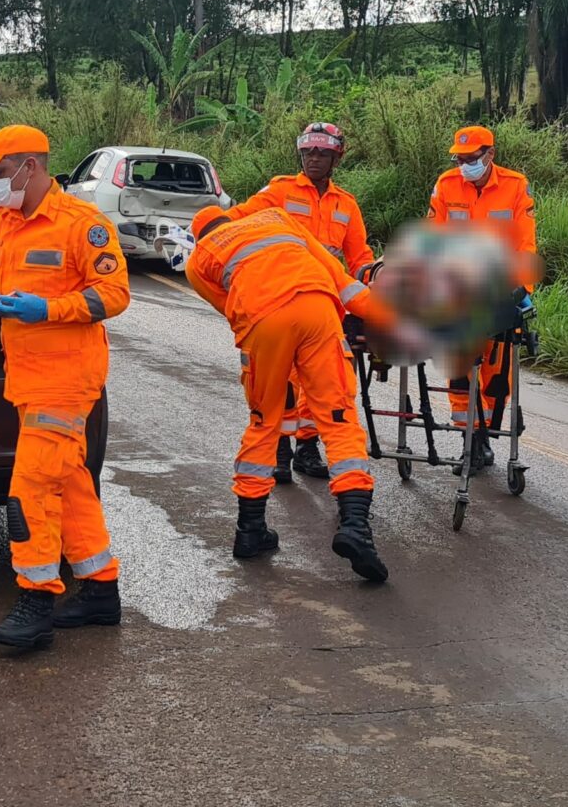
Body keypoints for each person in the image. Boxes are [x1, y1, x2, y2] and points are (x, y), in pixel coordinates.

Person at [0, 124, 131, 650]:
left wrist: (49, 309)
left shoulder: (82, 224)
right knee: (71, 480)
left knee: (32, 486)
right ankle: (100, 590)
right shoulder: (0, 222)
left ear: (29, 166)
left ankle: (36, 597)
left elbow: (115, 294)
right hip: (25, 376)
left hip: (66, 378)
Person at [185, 203, 397, 583]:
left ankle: (250, 530)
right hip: (317, 308)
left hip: (262, 321)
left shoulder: (198, 260)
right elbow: (344, 283)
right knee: (338, 418)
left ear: (198, 236)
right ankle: (355, 526)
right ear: (232, 219)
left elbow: (229, 307)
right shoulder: (276, 219)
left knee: (263, 422)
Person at [226, 122, 374, 486]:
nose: (314, 158)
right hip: (277, 298)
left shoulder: (346, 205)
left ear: (337, 157)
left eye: (322, 153)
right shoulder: (280, 191)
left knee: (322, 381)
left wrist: (375, 280)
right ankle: (278, 448)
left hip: (324, 303)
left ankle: (307, 447)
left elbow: (359, 258)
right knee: (281, 379)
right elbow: (237, 221)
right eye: (308, 152)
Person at [428, 125, 536, 471]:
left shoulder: (515, 186)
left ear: (490, 154)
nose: (464, 165)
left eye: (471, 158)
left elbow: (525, 243)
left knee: (495, 370)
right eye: (459, 159)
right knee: (460, 369)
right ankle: (470, 441)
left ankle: (485, 434)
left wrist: (522, 289)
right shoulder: (446, 184)